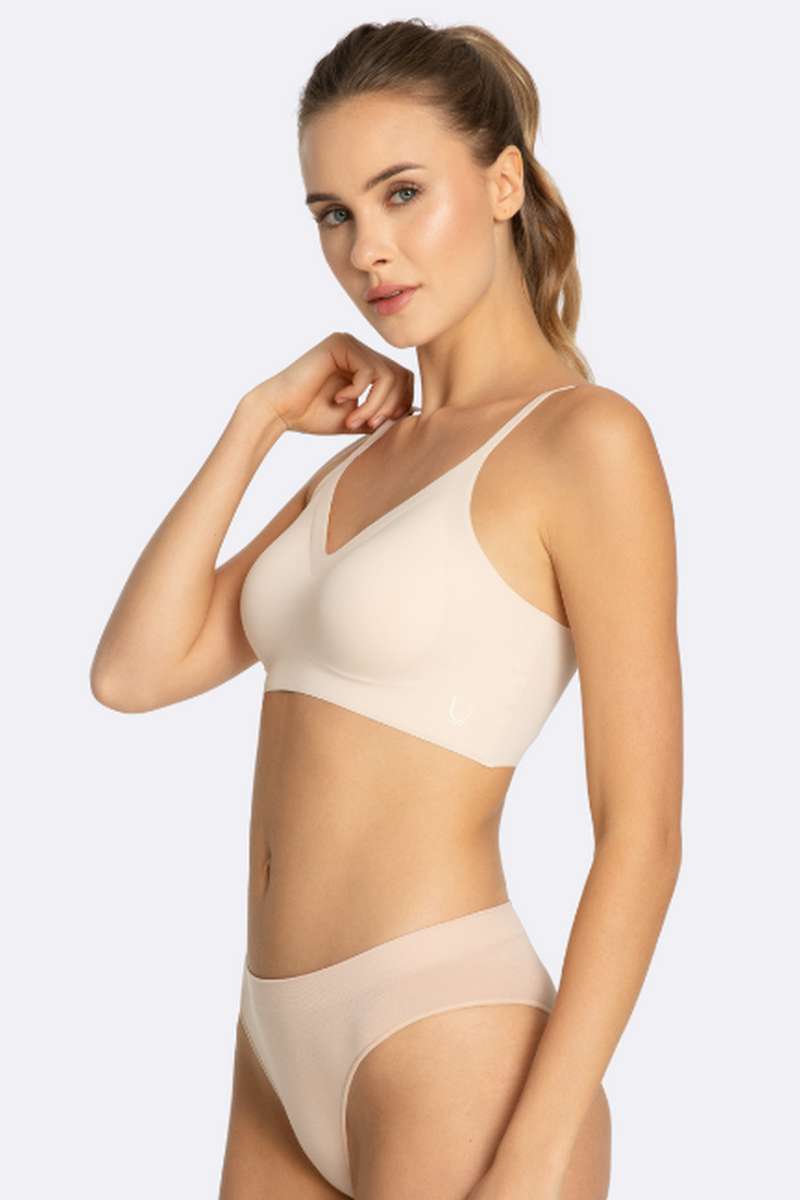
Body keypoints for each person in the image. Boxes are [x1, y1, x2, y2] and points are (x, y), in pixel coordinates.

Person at [90, 18, 683, 1200]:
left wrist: (533, 1155)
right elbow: (133, 673)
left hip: (448, 1042)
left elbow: (641, 834)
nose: (368, 249)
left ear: (502, 183)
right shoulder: (363, 459)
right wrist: (260, 417)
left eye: (402, 193)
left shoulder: (584, 441)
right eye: (333, 213)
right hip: (272, 1045)